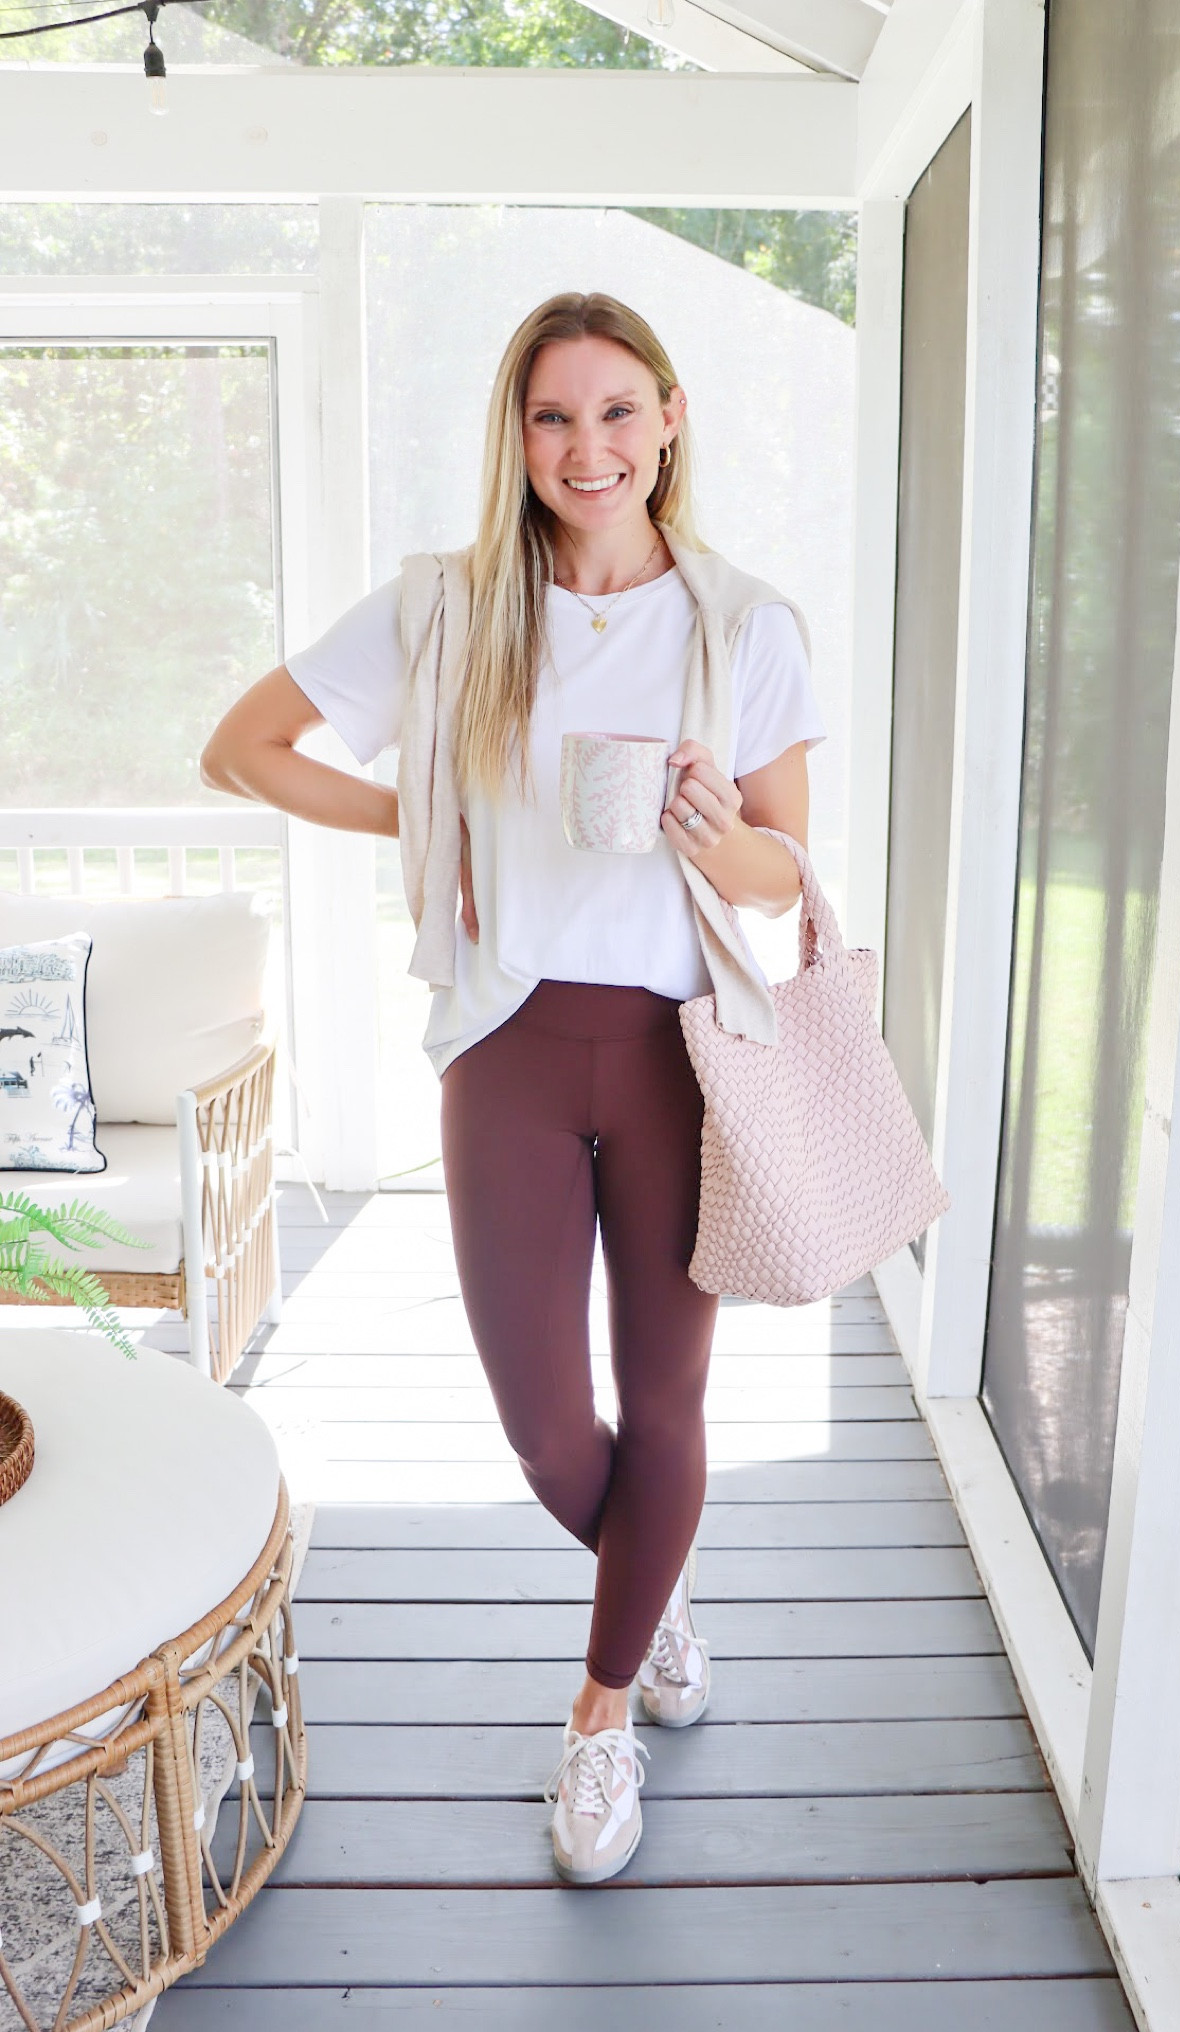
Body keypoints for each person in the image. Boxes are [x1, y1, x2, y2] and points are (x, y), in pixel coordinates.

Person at [201, 291, 825, 1886]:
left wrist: (706, 826)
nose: (588, 447)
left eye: (620, 411)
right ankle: (654, 1574)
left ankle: (603, 1709)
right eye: (555, 417)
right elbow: (245, 747)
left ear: (672, 418)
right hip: (508, 1050)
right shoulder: (450, 607)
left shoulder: (746, 624)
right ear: (518, 436)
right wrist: (426, 831)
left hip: (683, 1050)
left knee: (668, 1401)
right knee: (546, 1422)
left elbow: (780, 873)